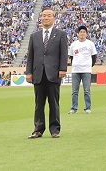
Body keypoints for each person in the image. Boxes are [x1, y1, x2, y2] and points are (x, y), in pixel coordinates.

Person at [25, 8, 68, 139]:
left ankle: (55, 129)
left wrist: (63, 69)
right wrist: (28, 72)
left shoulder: (60, 34)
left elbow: (64, 54)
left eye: (49, 16)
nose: (46, 18)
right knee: (39, 104)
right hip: (38, 74)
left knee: (54, 103)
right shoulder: (34, 36)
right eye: (44, 16)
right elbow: (30, 56)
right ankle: (38, 129)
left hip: (53, 73)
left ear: (54, 18)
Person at [68, 24, 97, 114]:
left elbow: (94, 56)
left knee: (87, 90)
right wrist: (75, 64)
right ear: (78, 33)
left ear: (87, 34)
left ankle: (88, 108)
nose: (82, 34)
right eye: (80, 32)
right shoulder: (74, 44)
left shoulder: (90, 44)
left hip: (86, 70)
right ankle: (74, 108)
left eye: (84, 32)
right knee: (74, 91)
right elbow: (71, 57)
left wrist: (89, 65)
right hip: (76, 70)